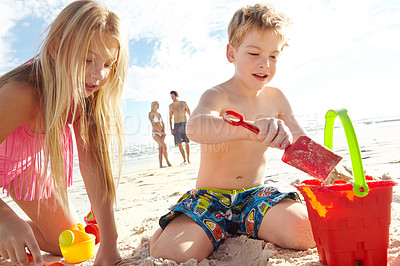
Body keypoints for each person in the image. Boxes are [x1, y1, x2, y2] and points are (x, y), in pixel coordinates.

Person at [150, 3, 315, 263]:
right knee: (169, 255)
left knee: (308, 231)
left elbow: (303, 146)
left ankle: (242, 228)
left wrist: (333, 174)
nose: (265, 64)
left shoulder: (277, 98)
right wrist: (249, 129)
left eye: (274, 56)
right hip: (210, 199)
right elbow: (195, 127)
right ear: (231, 53)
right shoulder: (218, 95)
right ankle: (179, 225)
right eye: (254, 53)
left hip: (254, 197)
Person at [0, 1, 129, 265]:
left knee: (65, 241)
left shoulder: (86, 97)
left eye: (108, 63)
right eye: (88, 59)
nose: (98, 74)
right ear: (57, 48)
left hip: (20, 166)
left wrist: (110, 243)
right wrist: (4, 217)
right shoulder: (22, 93)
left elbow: (93, 165)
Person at [169, 91, 191, 164]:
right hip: (176, 125)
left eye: (173, 96)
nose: (172, 98)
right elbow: (170, 118)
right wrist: (171, 129)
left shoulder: (183, 103)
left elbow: (189, 113)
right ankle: (184, 159)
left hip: (184, 124)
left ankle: (188, 159)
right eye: (171, 97)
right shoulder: (171, 106)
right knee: (179, 144)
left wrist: (191, 122)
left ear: (177, 95)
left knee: (187, 142)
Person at [149, 101, 172, 168]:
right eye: (157, 104)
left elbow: (163, 124)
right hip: (155, 133)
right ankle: (168, 163)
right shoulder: (151, 114)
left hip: (162, 133)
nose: (158, 105)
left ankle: (161, 165)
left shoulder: (159, 114)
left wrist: (163, 132)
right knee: (164, 146)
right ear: (153, 105)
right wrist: (160, 132)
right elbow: (153, 124)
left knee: (161, 149)